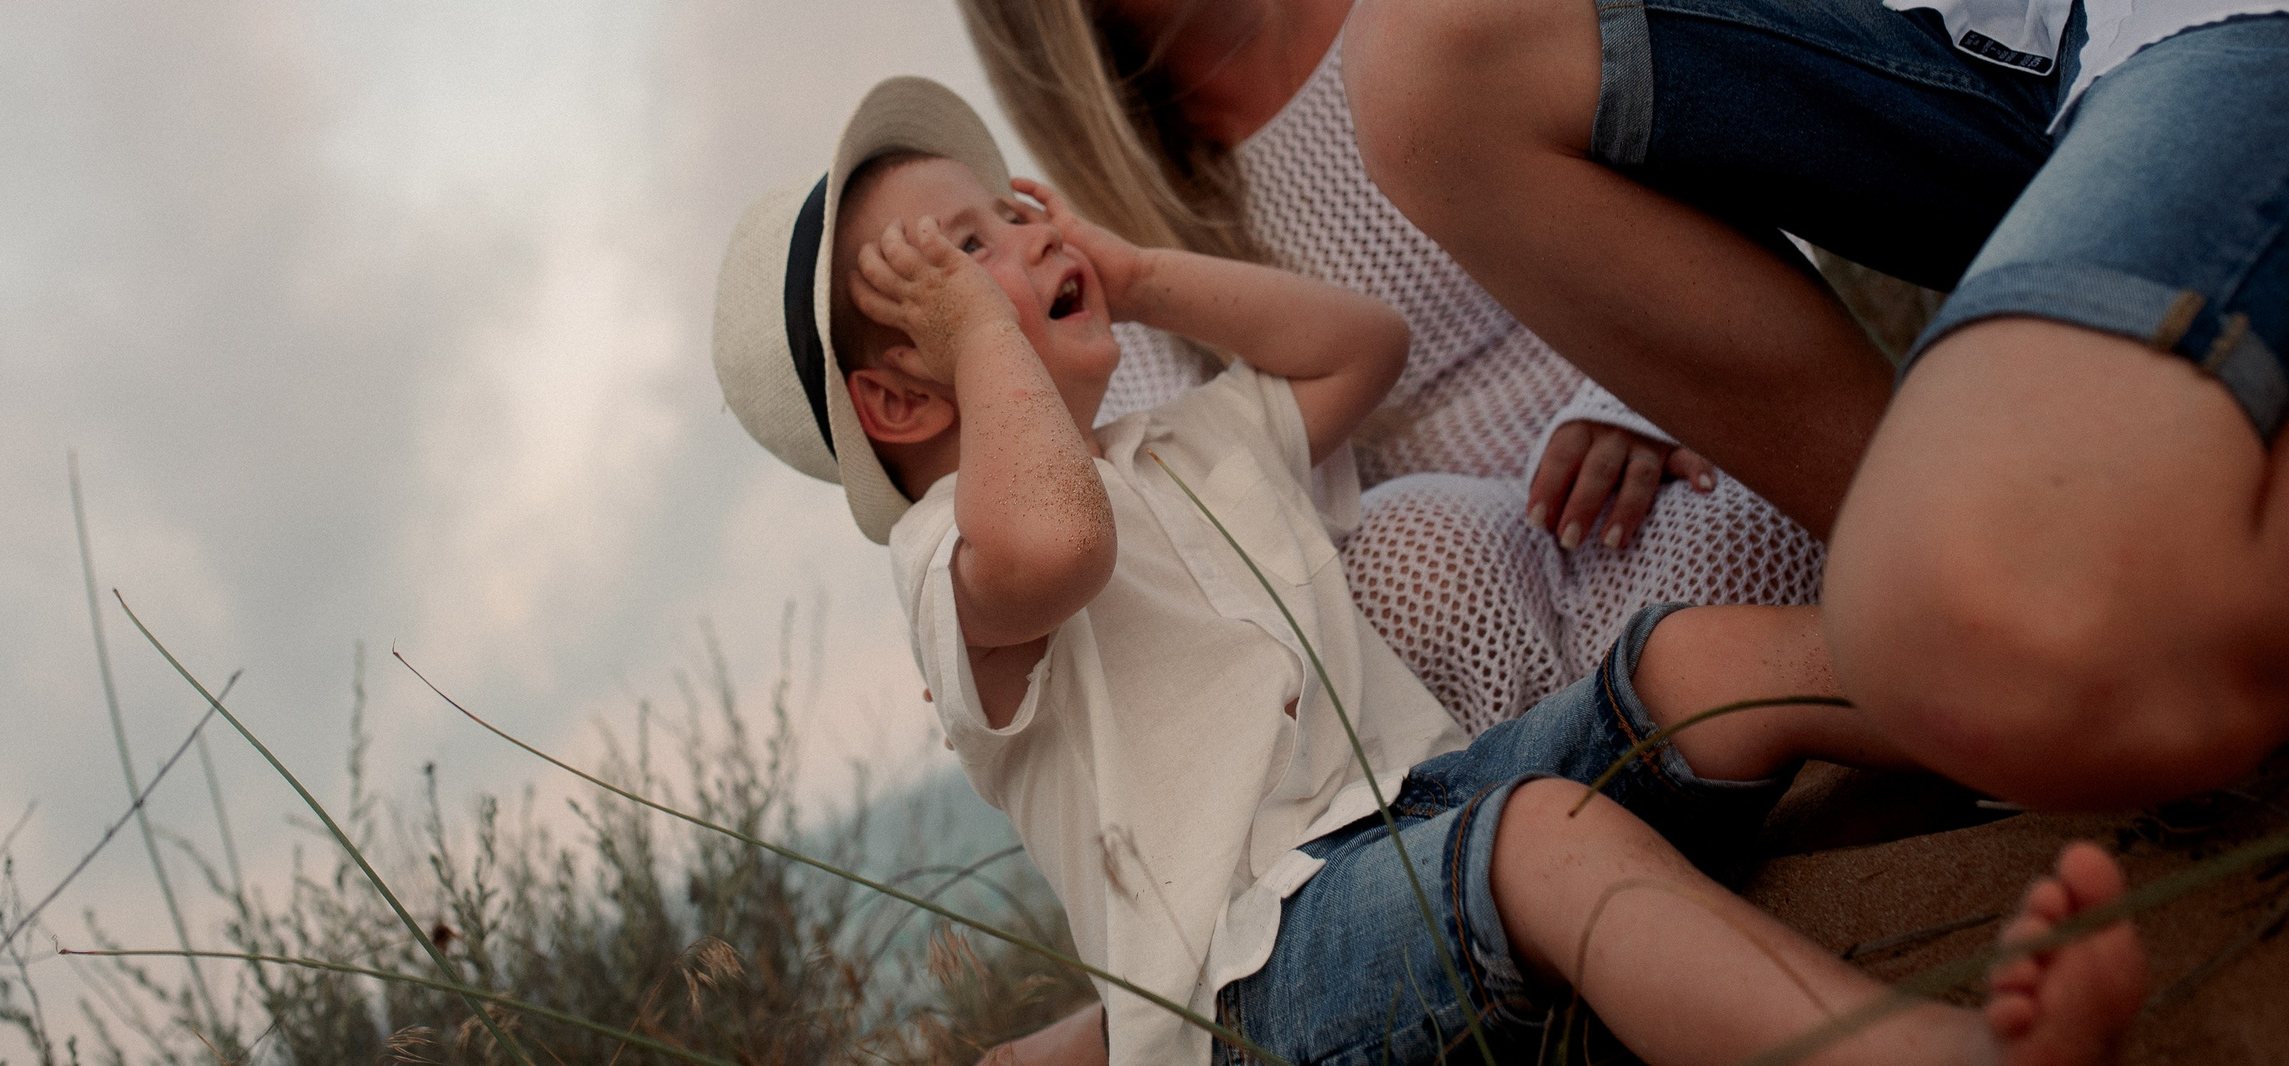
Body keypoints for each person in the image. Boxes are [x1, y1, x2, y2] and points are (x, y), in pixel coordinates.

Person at [709, 76, 2144, 1066]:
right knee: (1544, 838)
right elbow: (1056, 545)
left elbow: (1358, 347)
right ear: (902, 404)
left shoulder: (1181, 442)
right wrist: (988, 323)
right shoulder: (948, 562)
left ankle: (2091, 697)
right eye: (961, 260)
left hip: (1424, 802)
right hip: (1260, 975)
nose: (1017, 241)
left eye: (1005, 214)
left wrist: (1139, 275)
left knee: (1692, 664)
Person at [1328, 0, 2289, 810]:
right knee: (1428, 54)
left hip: (2200, 26)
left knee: (2006, 626)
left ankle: (1992, 611)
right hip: (1971, 30)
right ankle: (1939, 590)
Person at [956, 0, 1831, 736]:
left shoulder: (1422, 21)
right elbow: (1179, 521)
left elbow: (1713, 154)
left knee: (1734, 532)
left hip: (1667, 461)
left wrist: (1642, 394)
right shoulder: (1110, 226)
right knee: (1397, 574)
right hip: (1458, 622)